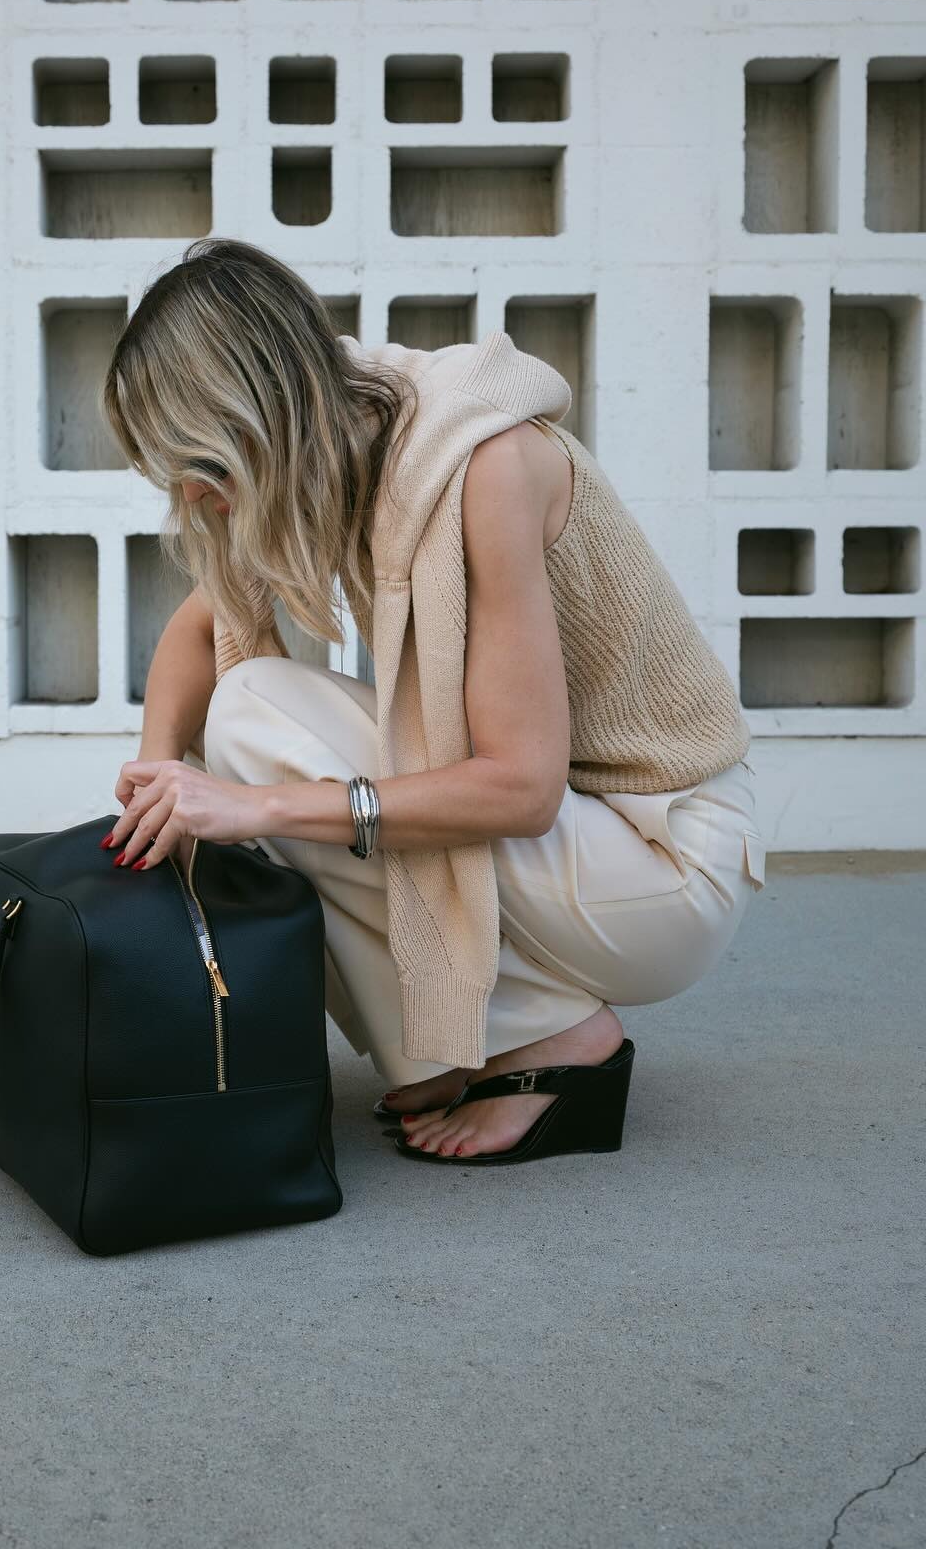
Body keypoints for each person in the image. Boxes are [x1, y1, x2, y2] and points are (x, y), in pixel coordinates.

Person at [96, 236, 767, 1167]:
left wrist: (261, 808)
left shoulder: (480, 465)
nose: (191, 495)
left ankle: (550, 1039)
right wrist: (157, 774)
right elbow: (201, 630)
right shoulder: (336, 428)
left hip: (659, 859)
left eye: (198, 467)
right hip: (570, 841)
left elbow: (520, 790)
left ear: (254, 420)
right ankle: (454, 1048)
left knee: (256, 724)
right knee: (242, 710)